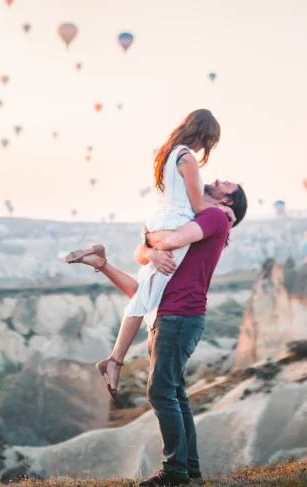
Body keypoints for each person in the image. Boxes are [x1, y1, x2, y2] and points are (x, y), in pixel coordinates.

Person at [66, 179, 247, 487]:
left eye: (225, 184)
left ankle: (176, 471)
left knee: (160, 392)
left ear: (227, 203)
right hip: (168, 315)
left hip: (180, 317)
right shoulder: (198, 219)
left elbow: (167, 241)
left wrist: (149, 238)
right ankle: (190, 470)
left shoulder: (214, 218)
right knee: (175, 393)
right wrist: (146, 250)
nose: (216, 180)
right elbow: (143, 275)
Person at [64, 109, 226, 401]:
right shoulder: (187, 157)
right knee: (146, 296)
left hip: (159, 220)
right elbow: (199, 206)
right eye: (209, 141)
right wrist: (219, 217)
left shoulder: (167, 154)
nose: (206, 148)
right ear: (203, 133)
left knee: (147, 291)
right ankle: (113, 361)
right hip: (176, 223)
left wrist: (151, 246)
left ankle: (101, 264)